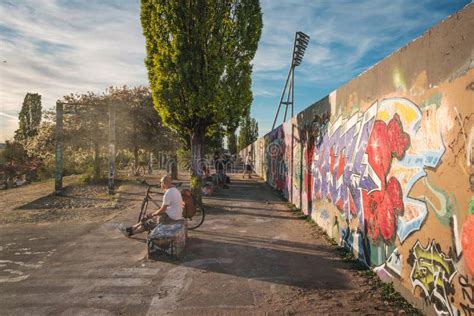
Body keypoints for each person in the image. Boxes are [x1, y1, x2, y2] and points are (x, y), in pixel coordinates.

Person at [119, 175, 183, 237]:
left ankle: (130, 233)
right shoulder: (176, 190)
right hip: (176, 216)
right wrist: (153, 214)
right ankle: (130, 229)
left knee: (148, 223)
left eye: (160, 183)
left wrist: (153, 214)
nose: (160, 185)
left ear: (164, 183)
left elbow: (162, 209)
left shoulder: (168, 193)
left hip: (171, 218)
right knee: (150, 217)